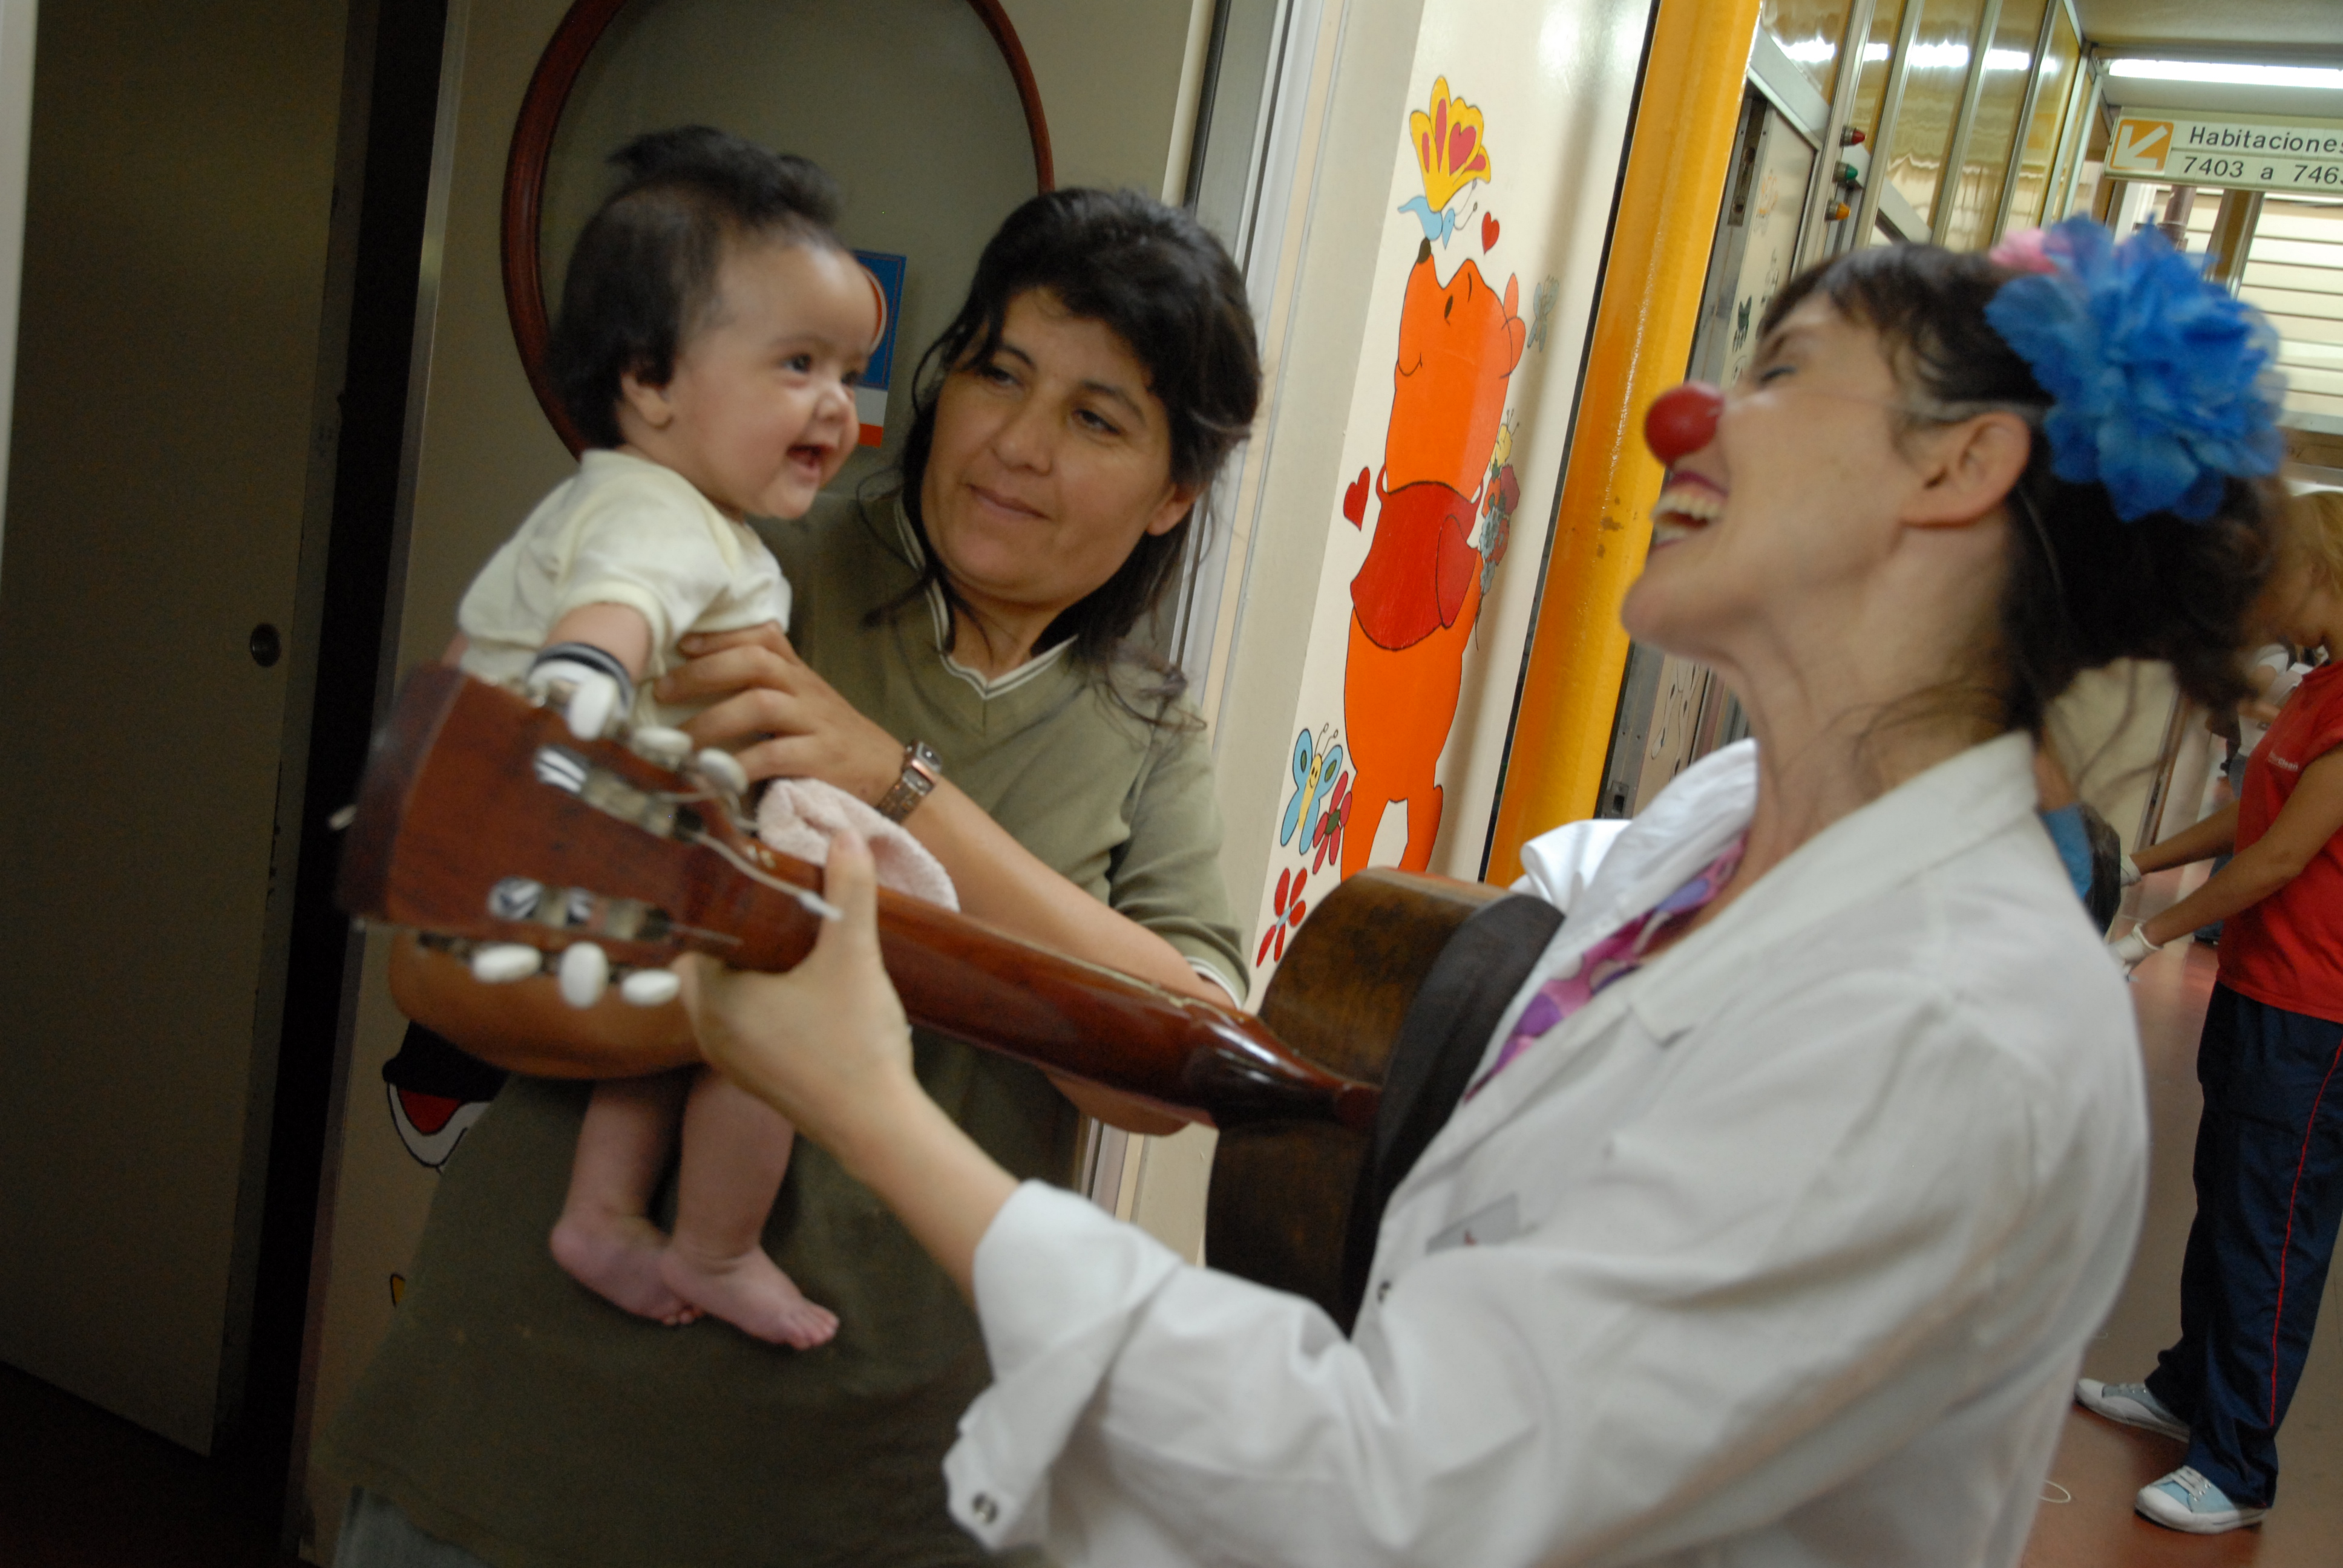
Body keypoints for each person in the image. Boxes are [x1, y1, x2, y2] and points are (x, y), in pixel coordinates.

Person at [686, 217, 2284, 1567]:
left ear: (1964, 464)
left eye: (1785, 372)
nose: (1687, 416)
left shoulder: (1952, 1032)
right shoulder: (1722, 821)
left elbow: (1395, 1488)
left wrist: (871, 1101)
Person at [329, 188, 1260, 1566]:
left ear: (1176, 490)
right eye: (995, 373)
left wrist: (903, 789)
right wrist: (741, 1008)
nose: (1013, 443)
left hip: (870, 1489)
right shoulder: (735, 569)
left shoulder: (1146, 740)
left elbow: (1174, 1067)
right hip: (522, 1439)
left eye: (1096, 416)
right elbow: (436, 952)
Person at [448, 126, 882, 1351]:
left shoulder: (672, 509)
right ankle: (716, 1243)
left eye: (848, 370)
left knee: (675, 1013)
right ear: (650, 381)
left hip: (589, 839)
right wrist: (583, 693)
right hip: (577, 823)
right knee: (782, 994)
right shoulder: (661, 518)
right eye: (796, 363)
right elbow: (611, 621)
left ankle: (601, 1214)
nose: (835, 407)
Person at [2083, 487, 2343, 1534]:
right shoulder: (2320, 690)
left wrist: (2145, 937)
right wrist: (2134, 861)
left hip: (2315, 1013)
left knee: (2272, 1233)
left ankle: (2238, 1467)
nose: (2264, 618)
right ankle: (2187, 1389)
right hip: (2256, 988)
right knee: (2225, 1201)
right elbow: (2254, 811)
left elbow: (2283, 856)